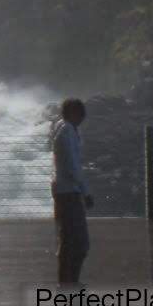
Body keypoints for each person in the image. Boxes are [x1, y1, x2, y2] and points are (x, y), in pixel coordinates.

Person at [51, 97, 94, 285]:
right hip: (69, 191)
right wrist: (86, 192)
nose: (83, 116)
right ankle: (70, 281)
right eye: (81, 112)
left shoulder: (64, 128)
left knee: (69, 238)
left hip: (63, 190)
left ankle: (67, 280)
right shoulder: (67, 131)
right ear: (72, 113)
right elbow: (72, 166)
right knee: (78, 240)